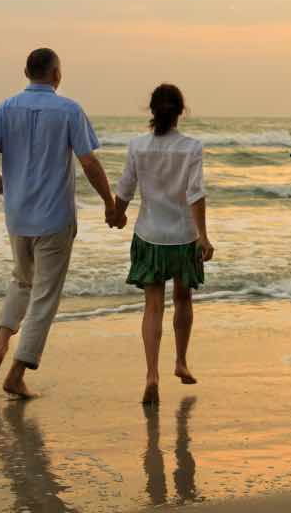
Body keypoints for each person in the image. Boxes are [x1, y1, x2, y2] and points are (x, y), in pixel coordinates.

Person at [0, 48, 123, 399]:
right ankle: (16, 371)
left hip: (17, 216)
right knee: (44, 296)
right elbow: (88, 162)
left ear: (25, 71)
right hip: (54, 218)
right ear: (56, 75)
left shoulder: (5, 108)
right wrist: (110, 204)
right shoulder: (69, 109)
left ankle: (0, 344)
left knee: (21, 280)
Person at [113, 84, 214, 405]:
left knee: (152, 306)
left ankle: (151, 374)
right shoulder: (191, 147)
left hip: (149, 236)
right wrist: (204, 236)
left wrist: (115, 214)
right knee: (183, 300)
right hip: (183, 236)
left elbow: (126, 188)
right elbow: (195, 193)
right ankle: (181, 361)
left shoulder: (137, 146)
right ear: (180, 112)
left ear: (152, 110)